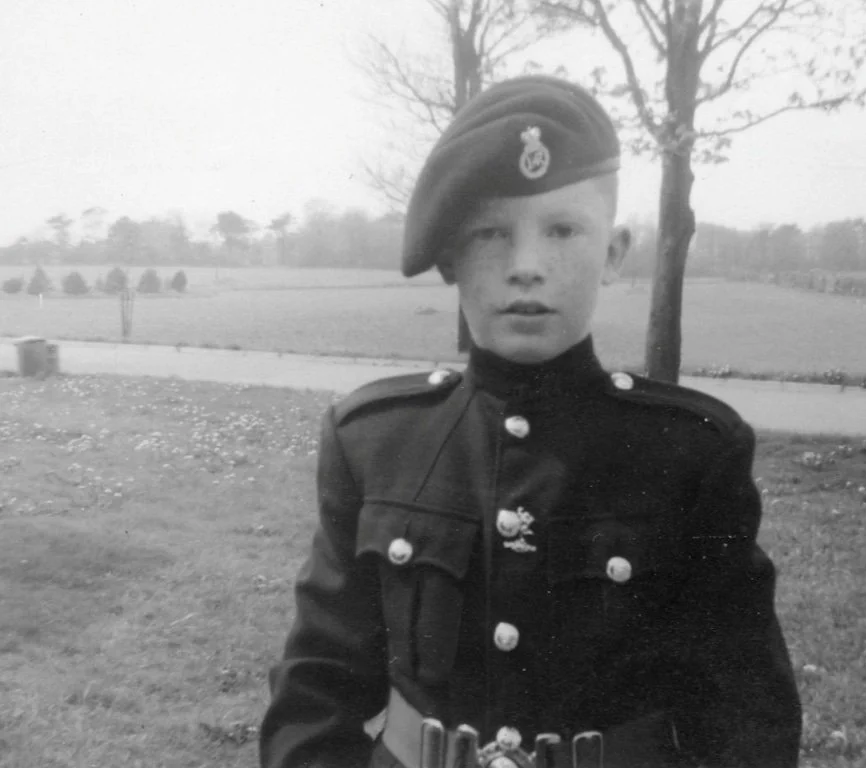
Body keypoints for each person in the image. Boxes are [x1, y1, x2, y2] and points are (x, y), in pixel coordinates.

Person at [259, 75, 801, 768]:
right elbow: (315, 694)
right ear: (449, 258)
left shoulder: (688, 454)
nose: (526, 268)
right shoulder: (374, 442)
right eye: (490, 233)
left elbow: (744, 713)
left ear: (614, 252)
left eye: (562, 230)